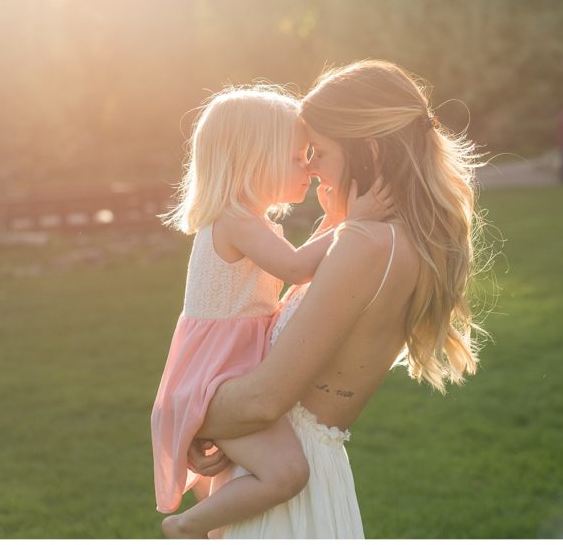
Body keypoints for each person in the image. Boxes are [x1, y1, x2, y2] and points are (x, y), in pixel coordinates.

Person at [184, 59, 490, 538]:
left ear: (366, 151)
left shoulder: (366, 244)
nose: (309, 166)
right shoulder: (390, 239)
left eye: (319, 151)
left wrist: (188, 418)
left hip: (286, 490)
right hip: (279, 464)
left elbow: (265, 400)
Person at [150, 85, 392, 538]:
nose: (309, 167)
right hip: (217, 372)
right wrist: (353, 224)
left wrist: (334, 224)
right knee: (285, 475)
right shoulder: (234, 219)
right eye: (299, 157)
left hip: (227, 365)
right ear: (255, 159)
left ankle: (209, 524)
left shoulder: (245, 222)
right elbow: (298, 266)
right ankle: (185, 526)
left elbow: (296, 275)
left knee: (238, 476)